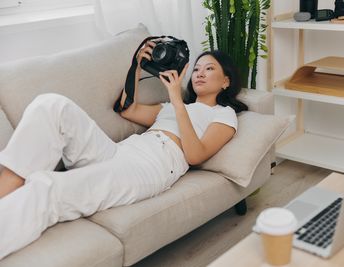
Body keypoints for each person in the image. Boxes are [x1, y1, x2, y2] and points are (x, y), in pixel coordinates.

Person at [0, 41, 248, 259]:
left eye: (209, 68)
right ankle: (8, 184)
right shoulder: (173, 106)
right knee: (52, 105)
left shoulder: (223, 115)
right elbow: (126, 108)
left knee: (46, 186)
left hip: (150, 166)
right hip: (121, 151)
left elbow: (195, 155)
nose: (199, 73)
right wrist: (137, 66)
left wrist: (176, 100)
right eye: (195, 69)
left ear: (226, 81)